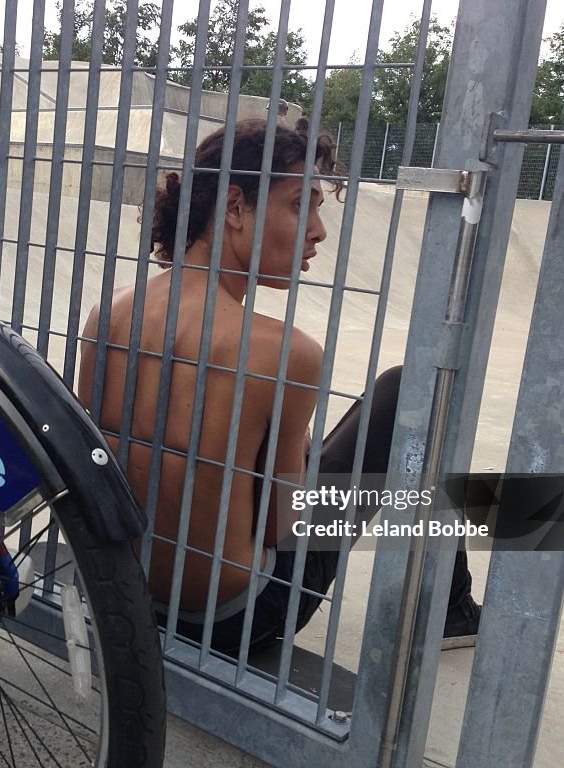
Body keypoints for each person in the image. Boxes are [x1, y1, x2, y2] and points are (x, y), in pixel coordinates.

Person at [77, 118, 479, 656]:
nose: (318, 230)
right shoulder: (282, 351)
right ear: (236, 208)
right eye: (300, 204)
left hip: (120, 593)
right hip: (235, 619)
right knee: (409, 390)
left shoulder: (109, 312)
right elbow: (280, 528)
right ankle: (451, 611)